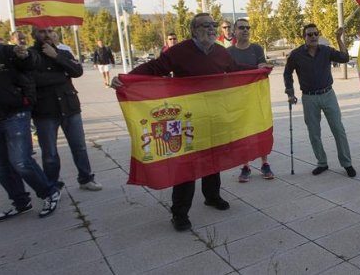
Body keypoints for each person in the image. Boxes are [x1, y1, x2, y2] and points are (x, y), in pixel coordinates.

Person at [111, 13, 270, 231]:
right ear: (194, 30)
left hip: (214, 115)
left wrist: (259, 72)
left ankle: (212, 196)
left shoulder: (220, 52)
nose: (213, 29)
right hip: (187, 117)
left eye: (214, 25)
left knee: (213, 157)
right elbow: (155, 68)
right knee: (186, 165)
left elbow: (234, 70)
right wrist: (126, 78)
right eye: (207, 25)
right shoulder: (180, 51)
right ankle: (179, 213)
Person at [29, 26, 103, 191]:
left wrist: (56, 57)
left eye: (49, 31)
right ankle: (53, 185)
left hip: (69, 107)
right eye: (42, 31)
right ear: (34, 34)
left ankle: (85, 178)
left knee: (79, 146)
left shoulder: (63, 53)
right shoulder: (29, 55)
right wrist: (61, 76)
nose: (47, 34)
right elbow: (33, 80)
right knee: (49, 154)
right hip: (45, 111)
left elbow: (77, 71)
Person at [283, 24, 356, 178]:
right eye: (310, 34)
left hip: (328, 94)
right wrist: (290, 92)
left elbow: (344, 58)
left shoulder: (326, 51)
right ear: (304, 37)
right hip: (309, 98)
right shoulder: (296, 55)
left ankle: (347, 163)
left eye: (316, 33)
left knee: (338, 129)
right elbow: (287, 73)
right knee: (314, 133)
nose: (314, 37)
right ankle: (322, 162)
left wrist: (338, 39)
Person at [0, 40, 61, 220]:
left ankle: (49, 193)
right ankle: (20, 202)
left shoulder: (6, 51)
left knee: (20, 161)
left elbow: (29, 63)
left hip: (14, 112)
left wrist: (24, 55)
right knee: (2, 166)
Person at [227, 18, 274, 182]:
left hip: (256, 98)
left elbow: (262, 72)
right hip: (238, 100)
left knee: (261, 130)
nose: (245, 30)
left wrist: (266, 69)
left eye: (248, 27)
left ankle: (265, 163)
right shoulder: (229, 52)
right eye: (241, 28)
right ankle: (245, 166)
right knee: (243, 133)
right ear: (234, 31)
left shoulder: (256, 49)